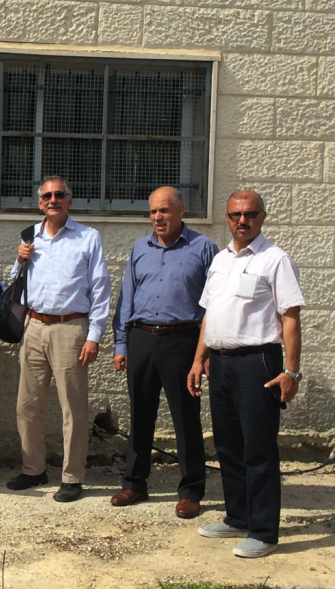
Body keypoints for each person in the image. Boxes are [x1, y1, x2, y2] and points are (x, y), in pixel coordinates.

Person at [188, 190, 304, 558]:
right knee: (228, 446)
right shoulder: (220, 261)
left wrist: (291, 372)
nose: (242, 221)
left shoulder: (275, 260)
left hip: (258, 364)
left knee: (259, 450)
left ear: (263, 217)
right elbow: (209, 315)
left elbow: (291, 318)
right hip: (219, 364)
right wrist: (198, 360)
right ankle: (237, 517)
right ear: (226, 218)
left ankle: (265, 531)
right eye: (236, 215)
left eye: (250, 214)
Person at [110, 187, 218, 518]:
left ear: (181, 211)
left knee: (186, 417)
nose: (158, 217)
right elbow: (126, 298)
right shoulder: (139, 249)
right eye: (153, 211)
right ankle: (135, 484)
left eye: (165, 211)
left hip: (182, 341)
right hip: (142, 338)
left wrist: (207, 351)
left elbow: (215, 303)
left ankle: (190, 490)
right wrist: (121, 343)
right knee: (140, 413)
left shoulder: (203, 248)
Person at [6, 175, 110, 502]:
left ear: (69, 200)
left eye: (59, 194)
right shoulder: (30, 238)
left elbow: (101, 291)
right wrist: (19, 260)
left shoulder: (88, 238)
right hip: (34, 327)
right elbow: (13, 283)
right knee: (28, 406)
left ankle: (72, 476)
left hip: (71, 328)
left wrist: (94, 336)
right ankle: (33, 469)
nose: (53, 199)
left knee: (73, 408)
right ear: (40, 203)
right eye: (47, 195)